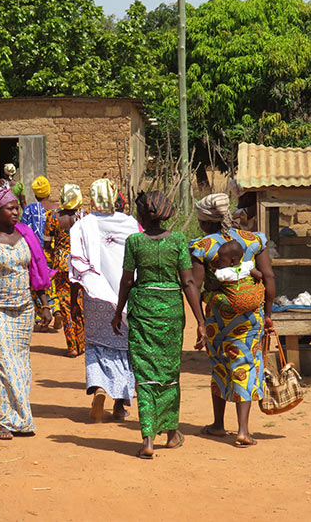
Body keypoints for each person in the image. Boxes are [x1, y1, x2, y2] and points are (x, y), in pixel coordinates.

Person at [113, 191, 205, 459]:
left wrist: (118, 311)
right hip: (171, 312)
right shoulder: (177, 240)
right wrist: (200, 321)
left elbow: (127, 281)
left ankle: (148, 440)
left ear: (140, 216)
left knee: (144, 374)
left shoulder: (134, 242)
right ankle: (172, 433)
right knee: (168, 372)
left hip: (142, 309)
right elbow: (188, 282)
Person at [190, 192, 276, 448]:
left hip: (218, 318)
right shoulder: (253, 240)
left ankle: (218, 424)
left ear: (205, 222)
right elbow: (269, 278)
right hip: (250, 318)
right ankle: (243, 430)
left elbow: (194, 284)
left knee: (219, 365)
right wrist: (268, 315)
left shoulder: (202, 246)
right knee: (246, 365)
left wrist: (200, 321)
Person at [0, 188, 53, 440]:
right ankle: (6, 421)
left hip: (24, 310)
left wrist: (44, 305)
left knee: (21, 365)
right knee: (3, 364)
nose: (16, 212)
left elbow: (36, 273)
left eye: (17, 207)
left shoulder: (26, 237)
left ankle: (16, 416)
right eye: (10, 208)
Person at [69, 178, 139, 422]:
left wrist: (74, 300)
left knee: (97, 344)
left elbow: (76, 263)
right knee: (125, 347)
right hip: (125, 295)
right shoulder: (130, 223)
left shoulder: (82, 225)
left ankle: (99, 387)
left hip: (94, 294)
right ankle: (120, 405)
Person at [45, 184, 86, 357]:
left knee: (65, 305)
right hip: (80, 265)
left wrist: (51, 260)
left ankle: (72, 347)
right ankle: (81, 343)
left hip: (61, 264)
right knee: (79, 303)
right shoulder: (83, 216)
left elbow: (47, 242)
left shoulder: (53, 216)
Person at [20, 176, 62, 330]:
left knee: (38, 284)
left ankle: (41, 318)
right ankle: (57, 309)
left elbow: (23, 230)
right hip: (54, 252)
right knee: (53, 282)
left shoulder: (30, 209)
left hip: (36, 253)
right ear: (49, 191)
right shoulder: (58, 209)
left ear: (36, 194)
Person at [208, 240, 265, 315]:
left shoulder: (223, 273)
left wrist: (208, 287)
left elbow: (215, 287)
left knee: (210, 296)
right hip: (255, 300)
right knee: (260, 285)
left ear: (232, 261)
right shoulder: (247, 265)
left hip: (236, 305)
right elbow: (259, 275)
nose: (218, 261)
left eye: (221, 259)